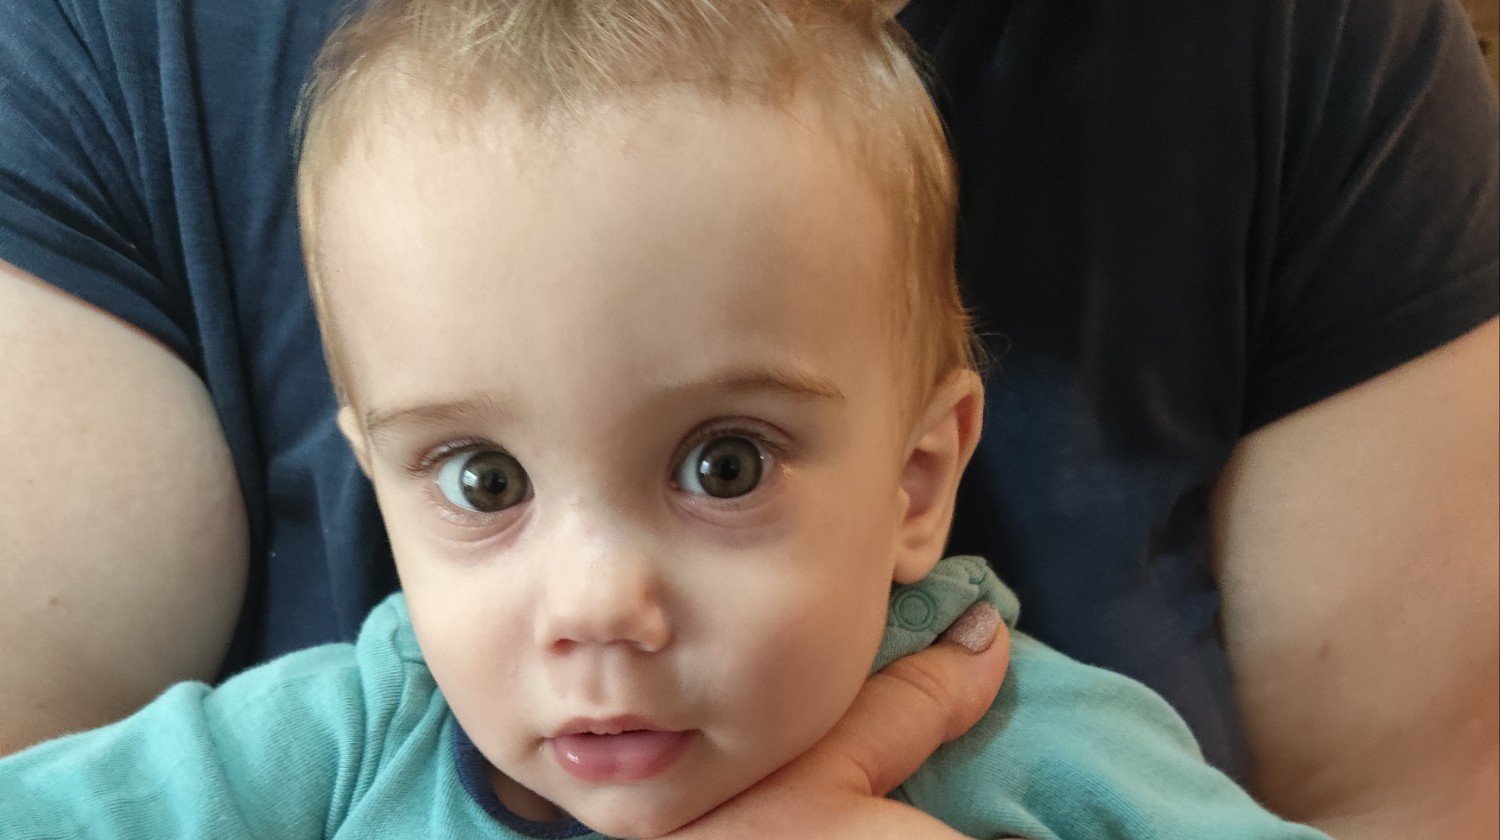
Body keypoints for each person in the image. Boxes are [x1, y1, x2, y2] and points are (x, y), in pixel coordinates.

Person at [0, 0, 1493, 835]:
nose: (599, 603)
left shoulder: (1034, 738)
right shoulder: (348, 732)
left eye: (723, 465)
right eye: (483, 479)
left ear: (919, 482)